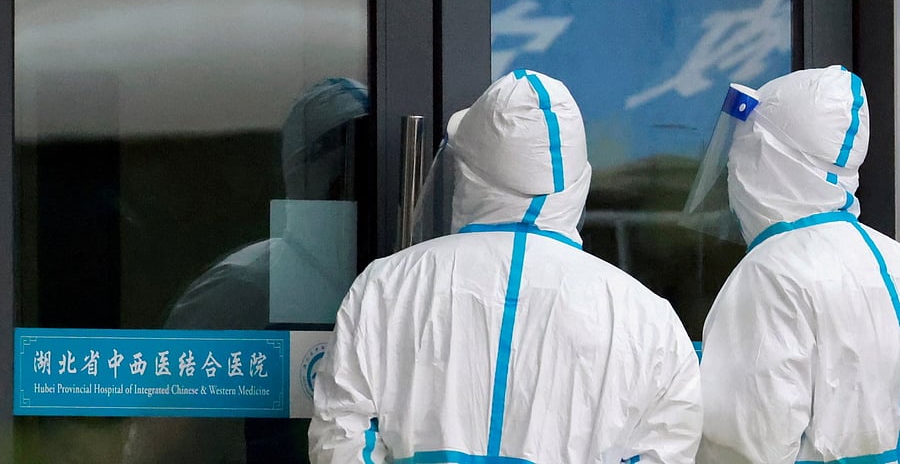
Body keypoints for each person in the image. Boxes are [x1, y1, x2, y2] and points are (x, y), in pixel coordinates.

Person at [309, 69, 702, 463]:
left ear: (465, 171)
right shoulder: (646, 318)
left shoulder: (388, 285)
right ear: (579, 183)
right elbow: (664, 451)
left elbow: (340, 435)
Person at [121, 77, 370, 464]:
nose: (361, 191)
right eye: (353, 167)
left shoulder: (394, 286)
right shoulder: (242, 289)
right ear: (309, 176)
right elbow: (158, 445)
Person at [694, 66, 900, 463]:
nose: (731, 170)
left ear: (766, 157)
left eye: (739, 153)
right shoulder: (889, 258)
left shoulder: (773, 273)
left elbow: (745, 446)